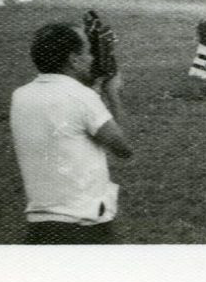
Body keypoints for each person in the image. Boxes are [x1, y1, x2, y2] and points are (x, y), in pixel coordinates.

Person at [9, 22, 132, 244]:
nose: (93, 58)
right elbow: (123, 148)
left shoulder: (20, 96)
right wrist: (113, 94)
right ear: (73, 60)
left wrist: (91, 91)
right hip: (83, 226)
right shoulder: (82, 97)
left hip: (40, 224)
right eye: (88, 51)